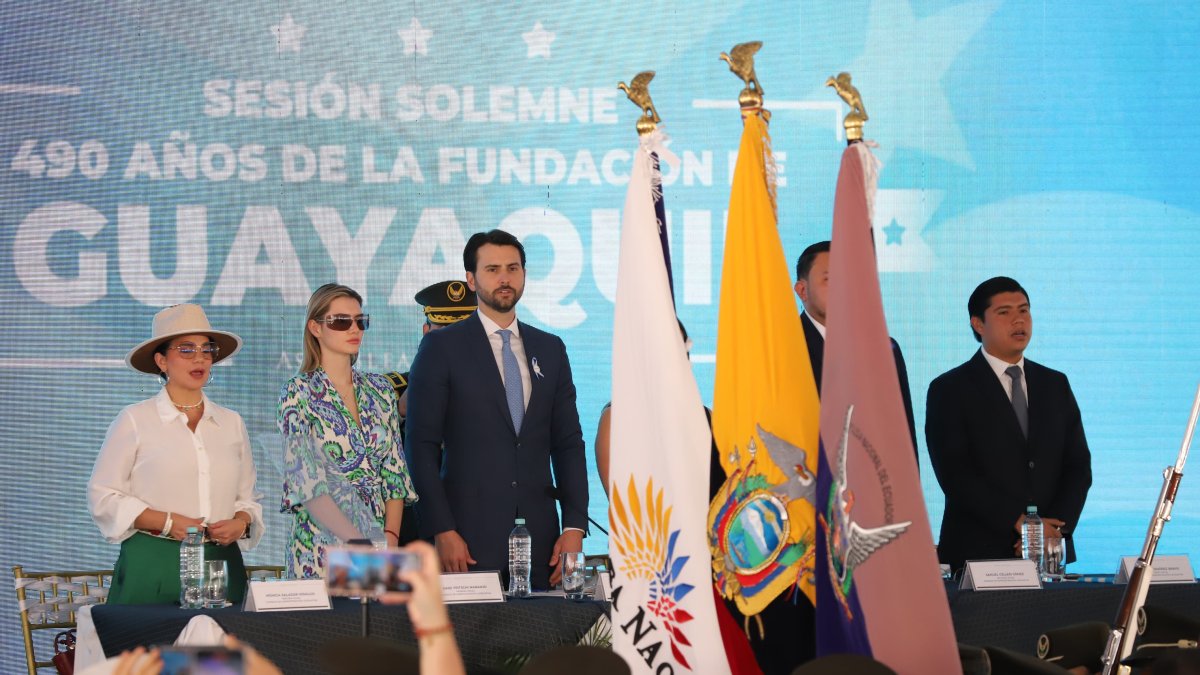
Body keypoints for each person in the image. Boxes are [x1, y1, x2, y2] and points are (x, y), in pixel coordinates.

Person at [406, 229, 589, 589]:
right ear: (472, 279)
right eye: (492, 269)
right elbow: (420, 446)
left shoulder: (550, 349)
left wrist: (574, 528)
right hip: (464, 544)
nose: (504, 278)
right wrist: (442, 529)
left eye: (513, 268)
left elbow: (568, 444)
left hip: (542, 544)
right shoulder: (441, 348)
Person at [88, 304, 262, 605]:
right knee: (149, 651)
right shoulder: (134, 419)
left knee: (217, 652)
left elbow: (247, 498)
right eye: (185, 349)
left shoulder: (231, 422)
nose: (199, 358)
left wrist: (242, 523)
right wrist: (168, 521)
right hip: (154, 561)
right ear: (161, 361)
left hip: (220, 563)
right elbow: (102, 496)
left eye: (207, 350)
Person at [926, 276, 1092, 572]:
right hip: (978, 552)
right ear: (978, 324)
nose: (1018, 320)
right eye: (1004, 312)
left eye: (1024, 310)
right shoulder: (950, 389)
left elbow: (1078, 465)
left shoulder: (1055, 384)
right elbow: (955, 474)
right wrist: (1019, 525)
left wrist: (1052, 531)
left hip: (1049, 553)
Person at [278, 283, 417, 579]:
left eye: (360, 321)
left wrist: (390, 536)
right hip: (320, 545)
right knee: (326, 626)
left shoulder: (380, 389)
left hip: (380, 543)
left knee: (377, 626)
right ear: (315, 328)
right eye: (341, 321)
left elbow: (395, 472)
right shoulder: (298, 392)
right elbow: (307, 483)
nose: (354, 329)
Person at [793, 240, 918, 456]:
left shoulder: (885, 349)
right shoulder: (783, 349)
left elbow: (903, 437)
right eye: (830, 279)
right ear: (802, 290)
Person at [384, 280, 477, 545]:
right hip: (410, 533)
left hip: (475, 527)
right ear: (426, 331)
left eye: (462, 330)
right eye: (443, 330)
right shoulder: (391, 389)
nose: (453, 340)